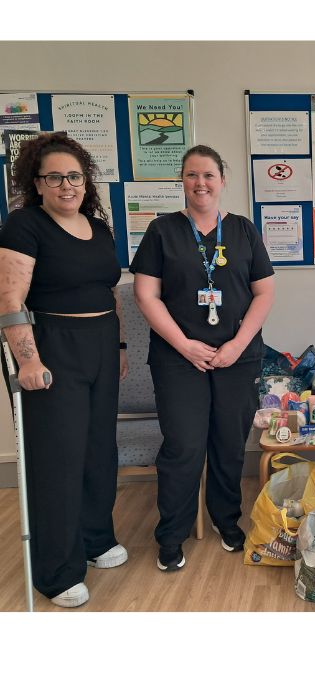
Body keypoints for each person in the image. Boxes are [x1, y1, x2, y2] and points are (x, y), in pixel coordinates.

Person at [130, 145, 274, 572]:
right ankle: (171, 535)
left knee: (229, 447)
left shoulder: (245, 231)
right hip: (179, 360)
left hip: (238, 357)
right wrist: (184, 345)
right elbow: (145, 294)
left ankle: (227, 523)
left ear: (222, 179)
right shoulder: (162, 231)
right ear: (182, 181)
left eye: (208, 175)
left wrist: (236, 345)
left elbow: (264, 292)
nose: (200, 183)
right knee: (183, 448)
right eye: (192, 175)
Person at [0, 132, 128, 608]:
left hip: (99, 344)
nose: (66, 185)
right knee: (58, 458)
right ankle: (56, 571)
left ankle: (95, 539)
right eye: (54, 177)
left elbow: (109, 290)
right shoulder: (23, 226)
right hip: (53, 346)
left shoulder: (98, 228)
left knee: (98, 450)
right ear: (36, 183)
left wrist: (116, 343)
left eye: (74, 176)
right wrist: (28, 361)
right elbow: (9, 299)